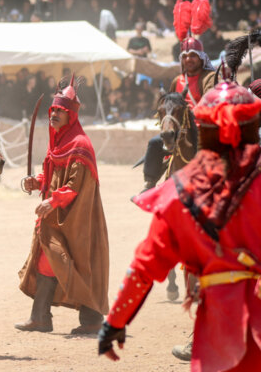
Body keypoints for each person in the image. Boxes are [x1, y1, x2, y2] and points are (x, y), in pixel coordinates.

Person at [98, 80, 261, 371]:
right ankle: (149, 176)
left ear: (205, 130)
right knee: (154, 147)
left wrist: (115, 322)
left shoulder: (178, 195)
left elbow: (144, 267)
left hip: (219, 331)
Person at [16, 78, 109, 335]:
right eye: (53, 110)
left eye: (60, 111)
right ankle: (43, 317)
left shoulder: (80, 144)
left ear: (71, 115)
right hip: (55, 215)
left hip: (74, 217)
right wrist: (36, 182)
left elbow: (73, 186)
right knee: (50, 259)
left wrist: (52, 200)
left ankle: (85, 319)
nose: (54, 114)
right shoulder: (57, 143)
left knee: (69, 260)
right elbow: (53, 176)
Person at [141, 1, 215, 191]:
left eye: (193, 55)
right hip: (180, 127)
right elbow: (170, 103)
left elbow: (210, 102)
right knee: (155, 142)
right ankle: (150, 184)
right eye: (185, 56)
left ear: (201, 58)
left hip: (204, 128)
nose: (188, 59)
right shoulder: (177, 80)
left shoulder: (211, 77)